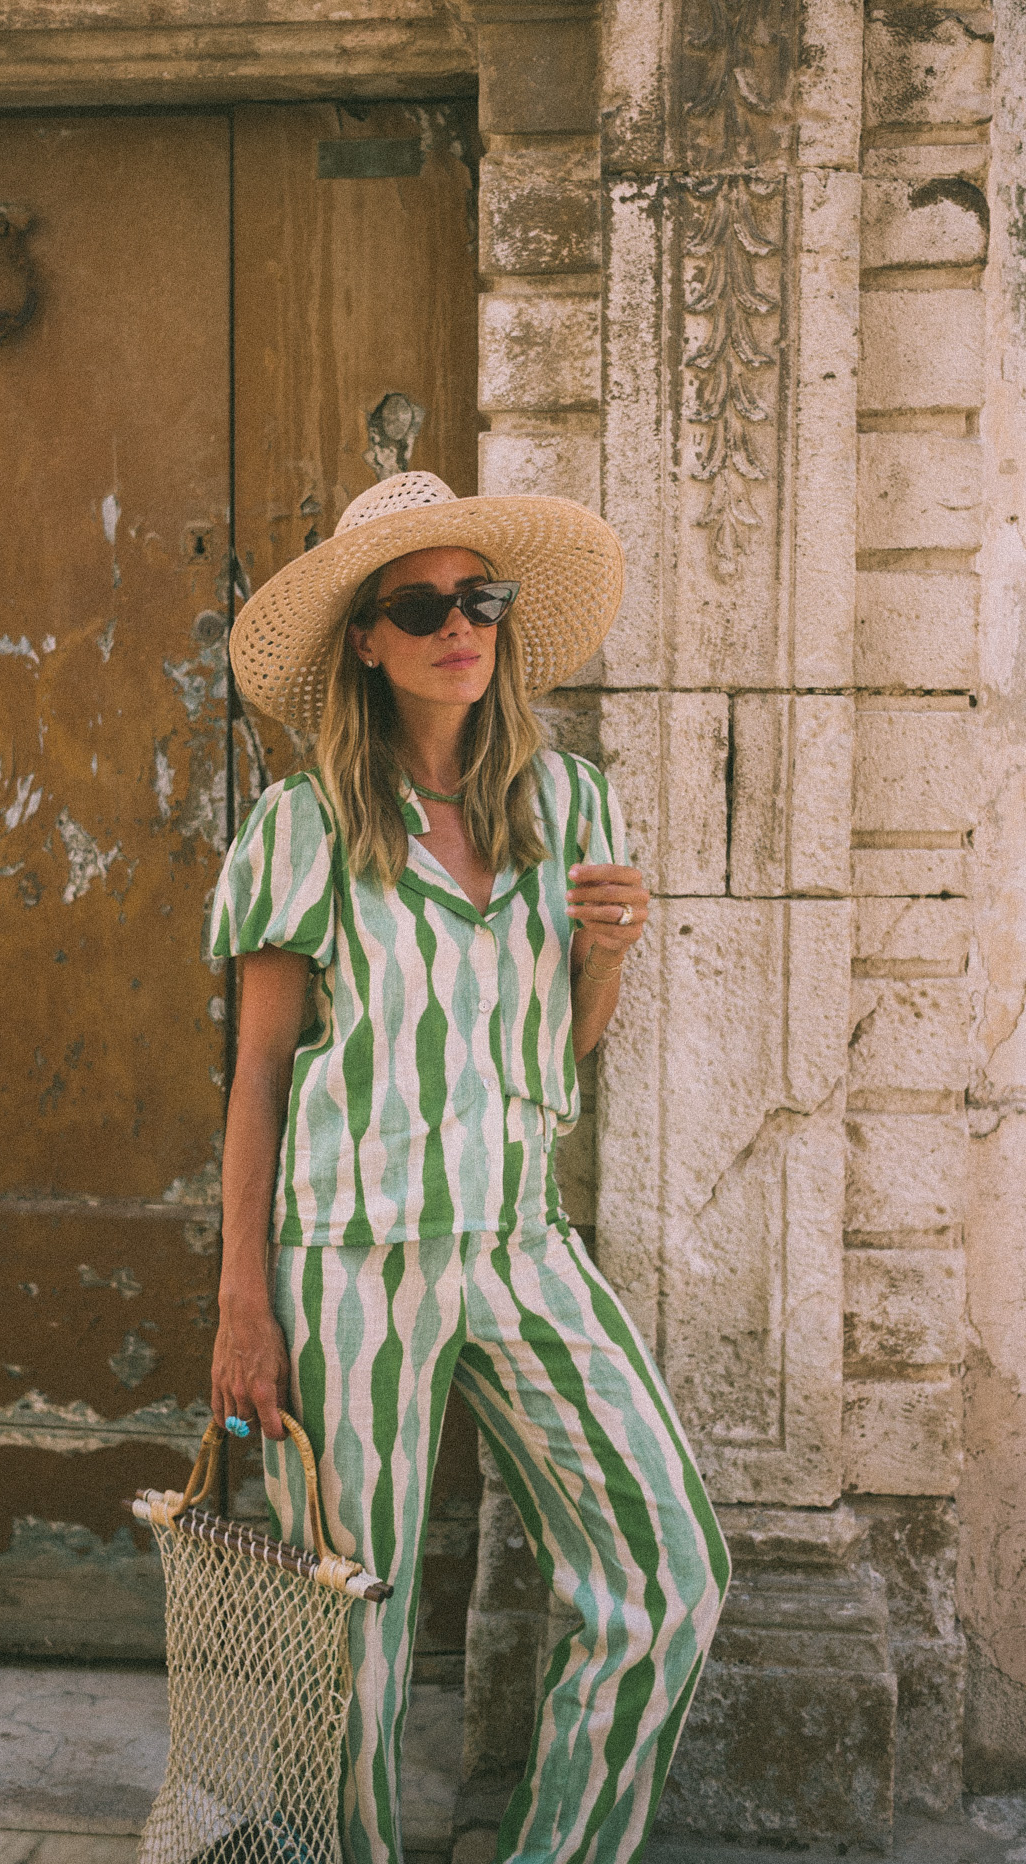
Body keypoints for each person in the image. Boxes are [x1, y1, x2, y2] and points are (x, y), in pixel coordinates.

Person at [208, 470, 729, 1864]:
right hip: (352, 1255)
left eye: (479, 598)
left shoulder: (567, 804)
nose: (460, 624)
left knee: (669, 1571)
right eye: (421, 604)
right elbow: (259, 1076)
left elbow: (564, 1050)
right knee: (350, 1631)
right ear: (368, 642)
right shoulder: (306, 823)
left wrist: (605, 956)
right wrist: (241, 1305)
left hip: (521, 1242)